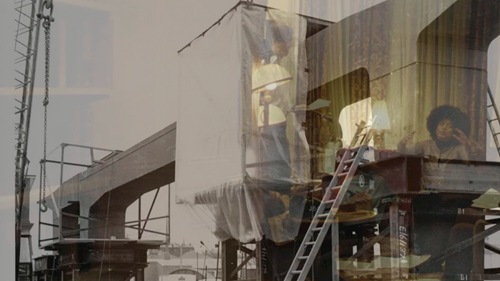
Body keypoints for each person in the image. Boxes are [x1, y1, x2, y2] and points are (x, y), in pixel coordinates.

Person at [397, 105, 479, 161]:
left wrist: (467, 146)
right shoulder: (425, 145)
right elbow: (404, 152)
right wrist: (402, 144)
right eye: (441, 124)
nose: (444, 128)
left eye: (449, 126)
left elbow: (472, 165)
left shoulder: (459, 149)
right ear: (435, 125)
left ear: (455, 130)